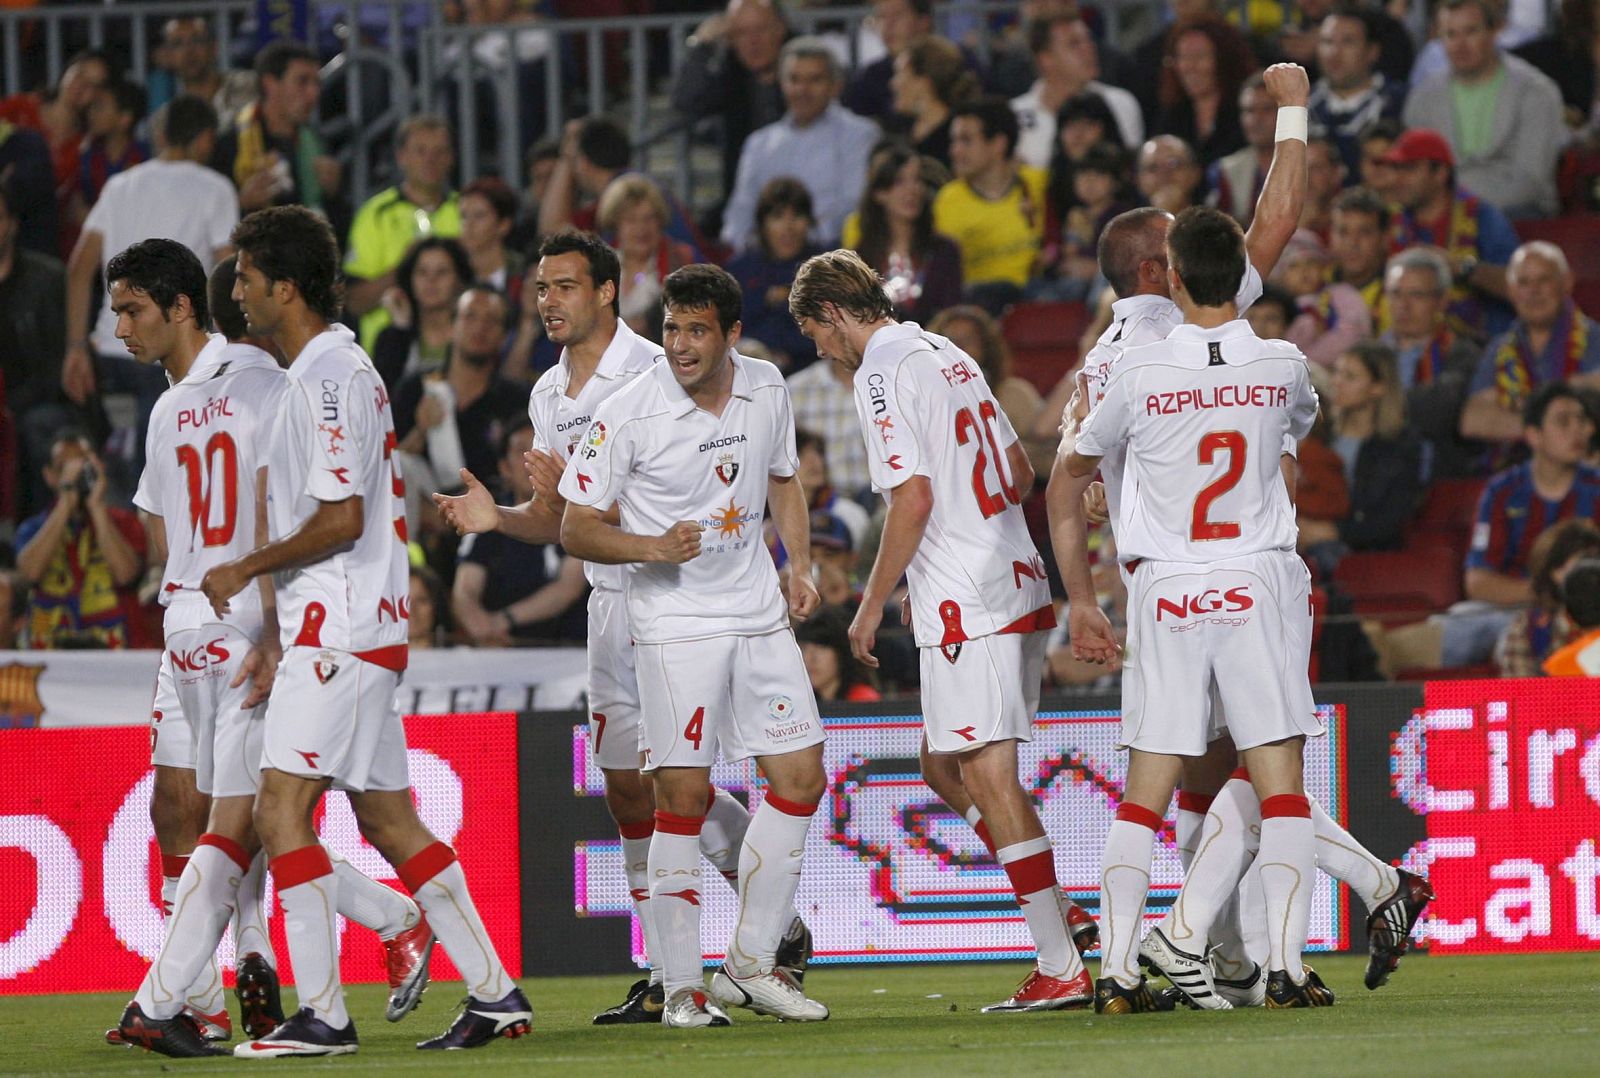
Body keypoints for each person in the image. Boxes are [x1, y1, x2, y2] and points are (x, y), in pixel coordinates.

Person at [434, 232, 807, 1024]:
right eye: (541, 288)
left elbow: (706, 480)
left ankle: (750, 934)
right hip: (610, 601)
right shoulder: (546, 393)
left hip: (674, 598)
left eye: (566, 286)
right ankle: (669, 965)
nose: (549, 302)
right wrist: (495, 519)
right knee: (628, 792)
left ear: (607, 292)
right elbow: (558, 519)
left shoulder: (653, 368)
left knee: (678, 782)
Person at [200, 205, 529, 1055]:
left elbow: (344, 518)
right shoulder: (329, 368)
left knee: (280, 815)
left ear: (284, 286)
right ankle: (495, 993)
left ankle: (324, 1016)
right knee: (387, 820)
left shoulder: (328, 376)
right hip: (354, 623)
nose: (233, 292)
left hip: (340, 624)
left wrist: (249, 565)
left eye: (243, 277)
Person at [108, 244, 431, 1058]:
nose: (117, 330)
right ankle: (351, 935)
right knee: (219, 819)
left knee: (242, 822)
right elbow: (227, 521)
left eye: (131, 311)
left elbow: (240, 521)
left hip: (223, 628)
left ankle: (179, 996)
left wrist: (270, 624)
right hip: (216, 628)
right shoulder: (218, 398)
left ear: (195, 308)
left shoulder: (236, 396)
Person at [791, 249, 1096, 1013]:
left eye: (815, 334)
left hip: (969, 598)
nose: (820, 351)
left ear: (831, 312)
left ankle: (1059, 962)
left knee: (987, 774)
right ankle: (1060, 913)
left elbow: (915, 498)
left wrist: (868, 600)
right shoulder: (948, 351)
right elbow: (1021, 473)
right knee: (941, 763)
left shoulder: (878, 371)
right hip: (1012, 578)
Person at [1056, 206, 1326, 1009]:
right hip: (1255, 580)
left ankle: (1116, 973)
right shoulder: (1283, 362)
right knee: (1279, 788)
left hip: (1167, 587)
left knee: (1145, 792)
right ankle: (1282, 969)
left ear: (1171, 277)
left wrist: (1107, 490)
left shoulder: (1135, 373)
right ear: (1240, 275)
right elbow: (1291, 442)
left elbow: (1072, 466)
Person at [558, 263, 830, 1028]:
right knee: (678, 799)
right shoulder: (628, 411)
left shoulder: (767, 387)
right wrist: (651, 544)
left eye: (696, 330)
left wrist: (798, 563)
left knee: (802, 778)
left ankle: (749, 963)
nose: (678, 344)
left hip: (754, 614)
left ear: (732, 335)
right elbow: (577, 526)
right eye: (671, 327)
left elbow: (782, 479)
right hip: (671, 624)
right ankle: (680, 988)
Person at [61, 95, 238, 471]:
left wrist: (76, 347)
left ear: (161, 134)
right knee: (163, 478)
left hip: (109, 356)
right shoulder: (216, 188)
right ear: (206, 139)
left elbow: (79, 269)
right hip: (172, 361)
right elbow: (227, 275)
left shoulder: (119, 185)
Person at [1403, 0, 1566, 218]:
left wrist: (1449, 198)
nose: (1460, 45)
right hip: (1439, 214)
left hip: (1517, 212)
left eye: (1470, 32)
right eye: (1450, 35)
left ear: (1495, 31)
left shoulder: (1537, 92)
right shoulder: (1422, 97)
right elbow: (1416, 173)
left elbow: (1530, 182)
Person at [720, 37, 878, 252]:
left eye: (814, 80)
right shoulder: (758, 143)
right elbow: (740, 212)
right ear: (781, 83)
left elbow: (854, 207)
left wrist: (795, 240)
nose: (802, 90)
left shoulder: (860, 135)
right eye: (794, 80)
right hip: (766, 261)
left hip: (834, 258)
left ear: (835, 86)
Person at [392, 285, 529, 522]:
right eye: (470, 316)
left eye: (492, 321)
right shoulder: (415, 388)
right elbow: (389, 468)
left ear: (504, 336)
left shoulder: (516, 400)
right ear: (451, 326)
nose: (479, 328)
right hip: (422, 512)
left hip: (489, 517)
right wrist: (421, 430)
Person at [451, 422, 587, 646]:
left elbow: (569, 588)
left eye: (540, 448)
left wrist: (503, 620)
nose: (532, 458)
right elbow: (465, 590)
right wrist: (481, 627)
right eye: (521, 449)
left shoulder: (578, 513)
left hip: (569, 655)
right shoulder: (488, 521)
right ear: (505, 468)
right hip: (501, 653)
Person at [1298, 342, 1425, 575]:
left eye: (1350, 376)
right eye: (1336, 372)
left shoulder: (1399, 447)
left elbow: (1391, 522)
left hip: (1364, 556)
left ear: (1378, 388)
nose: (1336, 382)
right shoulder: (1317, 436)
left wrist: (1333, 531)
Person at [1461, 242, 1600, 450]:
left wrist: (1518, 411)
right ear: (1512, 291)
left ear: (1567, 283)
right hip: (1515, 470)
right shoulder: (1499, 349)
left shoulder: (1595, 339)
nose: (1534, 291)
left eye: (1544, 280)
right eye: (1524, 283)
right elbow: (1472, 420)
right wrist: (1552, 427)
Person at [15, 430, 145, 648]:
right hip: (50, 652)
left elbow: (126, 575)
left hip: (115, 652)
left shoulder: (125, 523)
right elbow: (29, 573)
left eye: (82, 467)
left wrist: (96, 507)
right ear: (49, 475)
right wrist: (65, 503)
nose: (75, 477)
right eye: (64, 469)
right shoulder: (33, 528)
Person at [1385, 127, 1518, 340]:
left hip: (1479, 343)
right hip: (1407, 342)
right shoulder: (1392, 220)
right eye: (1396, 169)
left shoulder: (1483, 218)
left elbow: (1519, 286)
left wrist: (1461, 268)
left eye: (1409, 169)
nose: (1397, 179)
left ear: (1440, 173)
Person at [344, 115, 461, 352]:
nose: (431, 160)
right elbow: (354, 301)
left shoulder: (466, 212)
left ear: (451, 158)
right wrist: (406, 268)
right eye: (420, 151)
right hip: (388, 357)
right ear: (401, 157)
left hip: (456, 352)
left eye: (440, 151)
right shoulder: (374, 215)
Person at [933, 96, 1048, 312]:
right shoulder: (948, 201)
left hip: (1036, 299)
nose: (954, 151)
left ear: (998, 144)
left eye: (966, 141)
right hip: (978, 307)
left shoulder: (1039, 184)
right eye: (954, 141)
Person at [671, 0, 791, 201]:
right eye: (741, 33)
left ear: (781, 29)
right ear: (729, 39)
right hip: (744, 198)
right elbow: (687, 101)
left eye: (761, 29)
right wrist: (701, 46)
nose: (753, 41)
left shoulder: (805, 70)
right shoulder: (729, 76)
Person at [211, 41, 340, 218]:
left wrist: (332, 195)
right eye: (302, 81)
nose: (314, 93)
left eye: (316, 83)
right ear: (270, 83)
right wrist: (242, 204)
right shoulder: (228, 146)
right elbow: (207, 222)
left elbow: (339, 230)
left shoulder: (318, 144)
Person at [0, 177, 67, 518]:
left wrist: (12, 405)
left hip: (39, 403)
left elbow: (58, 366)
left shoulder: (48, 279)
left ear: (12, 223)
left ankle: (34, 532)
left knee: (37, 425)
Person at [1011, 10, 1143, 170]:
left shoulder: (1120, 103)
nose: (1089, 48)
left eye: (1088, 40)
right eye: (1074, 43)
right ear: (1045, 59)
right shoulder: (1014, 115)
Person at [927, 305, 1050, 476]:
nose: (958, 348)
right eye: (951, 341)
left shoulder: (1015, 393)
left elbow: (1047, 454)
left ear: (986, 348)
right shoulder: (925, 400)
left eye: (968, 340)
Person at [848, 147, 962, 325]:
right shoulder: (860, 260)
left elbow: (952, 316)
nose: (912, 189)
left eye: (917, 180)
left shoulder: (945, 251)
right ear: (879, 193)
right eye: (899, 181)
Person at [727, 177, 821, 371]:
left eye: (796, 216)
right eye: (778, 216)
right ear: (763, 224)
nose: (788, 227)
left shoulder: (824, 269)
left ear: (809, 221)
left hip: (812, 372)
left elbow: (832, 331)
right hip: (749, 371)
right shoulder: (740, 271)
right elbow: (728, 329)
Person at [1305, 7, 1404, 177]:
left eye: (1348, 42)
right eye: (1327, 42)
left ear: (1372, 51)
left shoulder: (1401, 102)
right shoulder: (1300, 104)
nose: (1334, 53)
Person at [1495, 519, 1600, 676]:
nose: (1592, 573)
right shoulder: (1528, 630)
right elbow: (1520, 696)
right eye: (1582, 563)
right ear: (1554, 572)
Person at [600, 174, 696, 341]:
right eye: (631, 220)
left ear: (660, 222)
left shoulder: (681, 261)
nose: (641, 228)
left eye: (649, 218)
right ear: (616, 225)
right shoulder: (600, 265)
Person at [371, 236, 474, 389]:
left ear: (459, 280)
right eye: (422, 272)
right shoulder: (390, 338)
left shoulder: (475, 335)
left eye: (442, 272)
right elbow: (383, 395)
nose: (431, 280)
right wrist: (400, 331)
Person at [1156, 16, 1258, 167]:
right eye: (1183, 57)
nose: (1190, 67)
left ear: (1224, 59)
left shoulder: (1248, 110)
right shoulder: (1173, 115)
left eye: (1200, 57)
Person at [888, 35, 981, 170]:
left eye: (899, 74)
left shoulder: (958, 139)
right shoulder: (898, 132)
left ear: (923, 83)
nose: (893, 83)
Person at [843, 0, 936, 122]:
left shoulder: (954, 64)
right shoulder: (871, 75)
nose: (888, 26)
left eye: (897, 16)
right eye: (881, 17)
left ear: (923, 21)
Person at [1209, 74, 1279, 226]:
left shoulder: (1311, 163)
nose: (1256, 119)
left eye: (1266, 109)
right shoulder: (1225, 170)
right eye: (1249, 111)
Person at [1327, 186, 1391, 330]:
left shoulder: (1397, 296)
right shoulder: (1315, 288)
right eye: (1343, 232)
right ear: (1331, 237)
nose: (1352, 243)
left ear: (1384, 239)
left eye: (1364, 233)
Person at [795, 603, 880, 702]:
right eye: (804, 648)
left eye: (821, 647)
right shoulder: (796, 702)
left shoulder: (864, 701)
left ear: (841, 652)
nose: (809, 658)